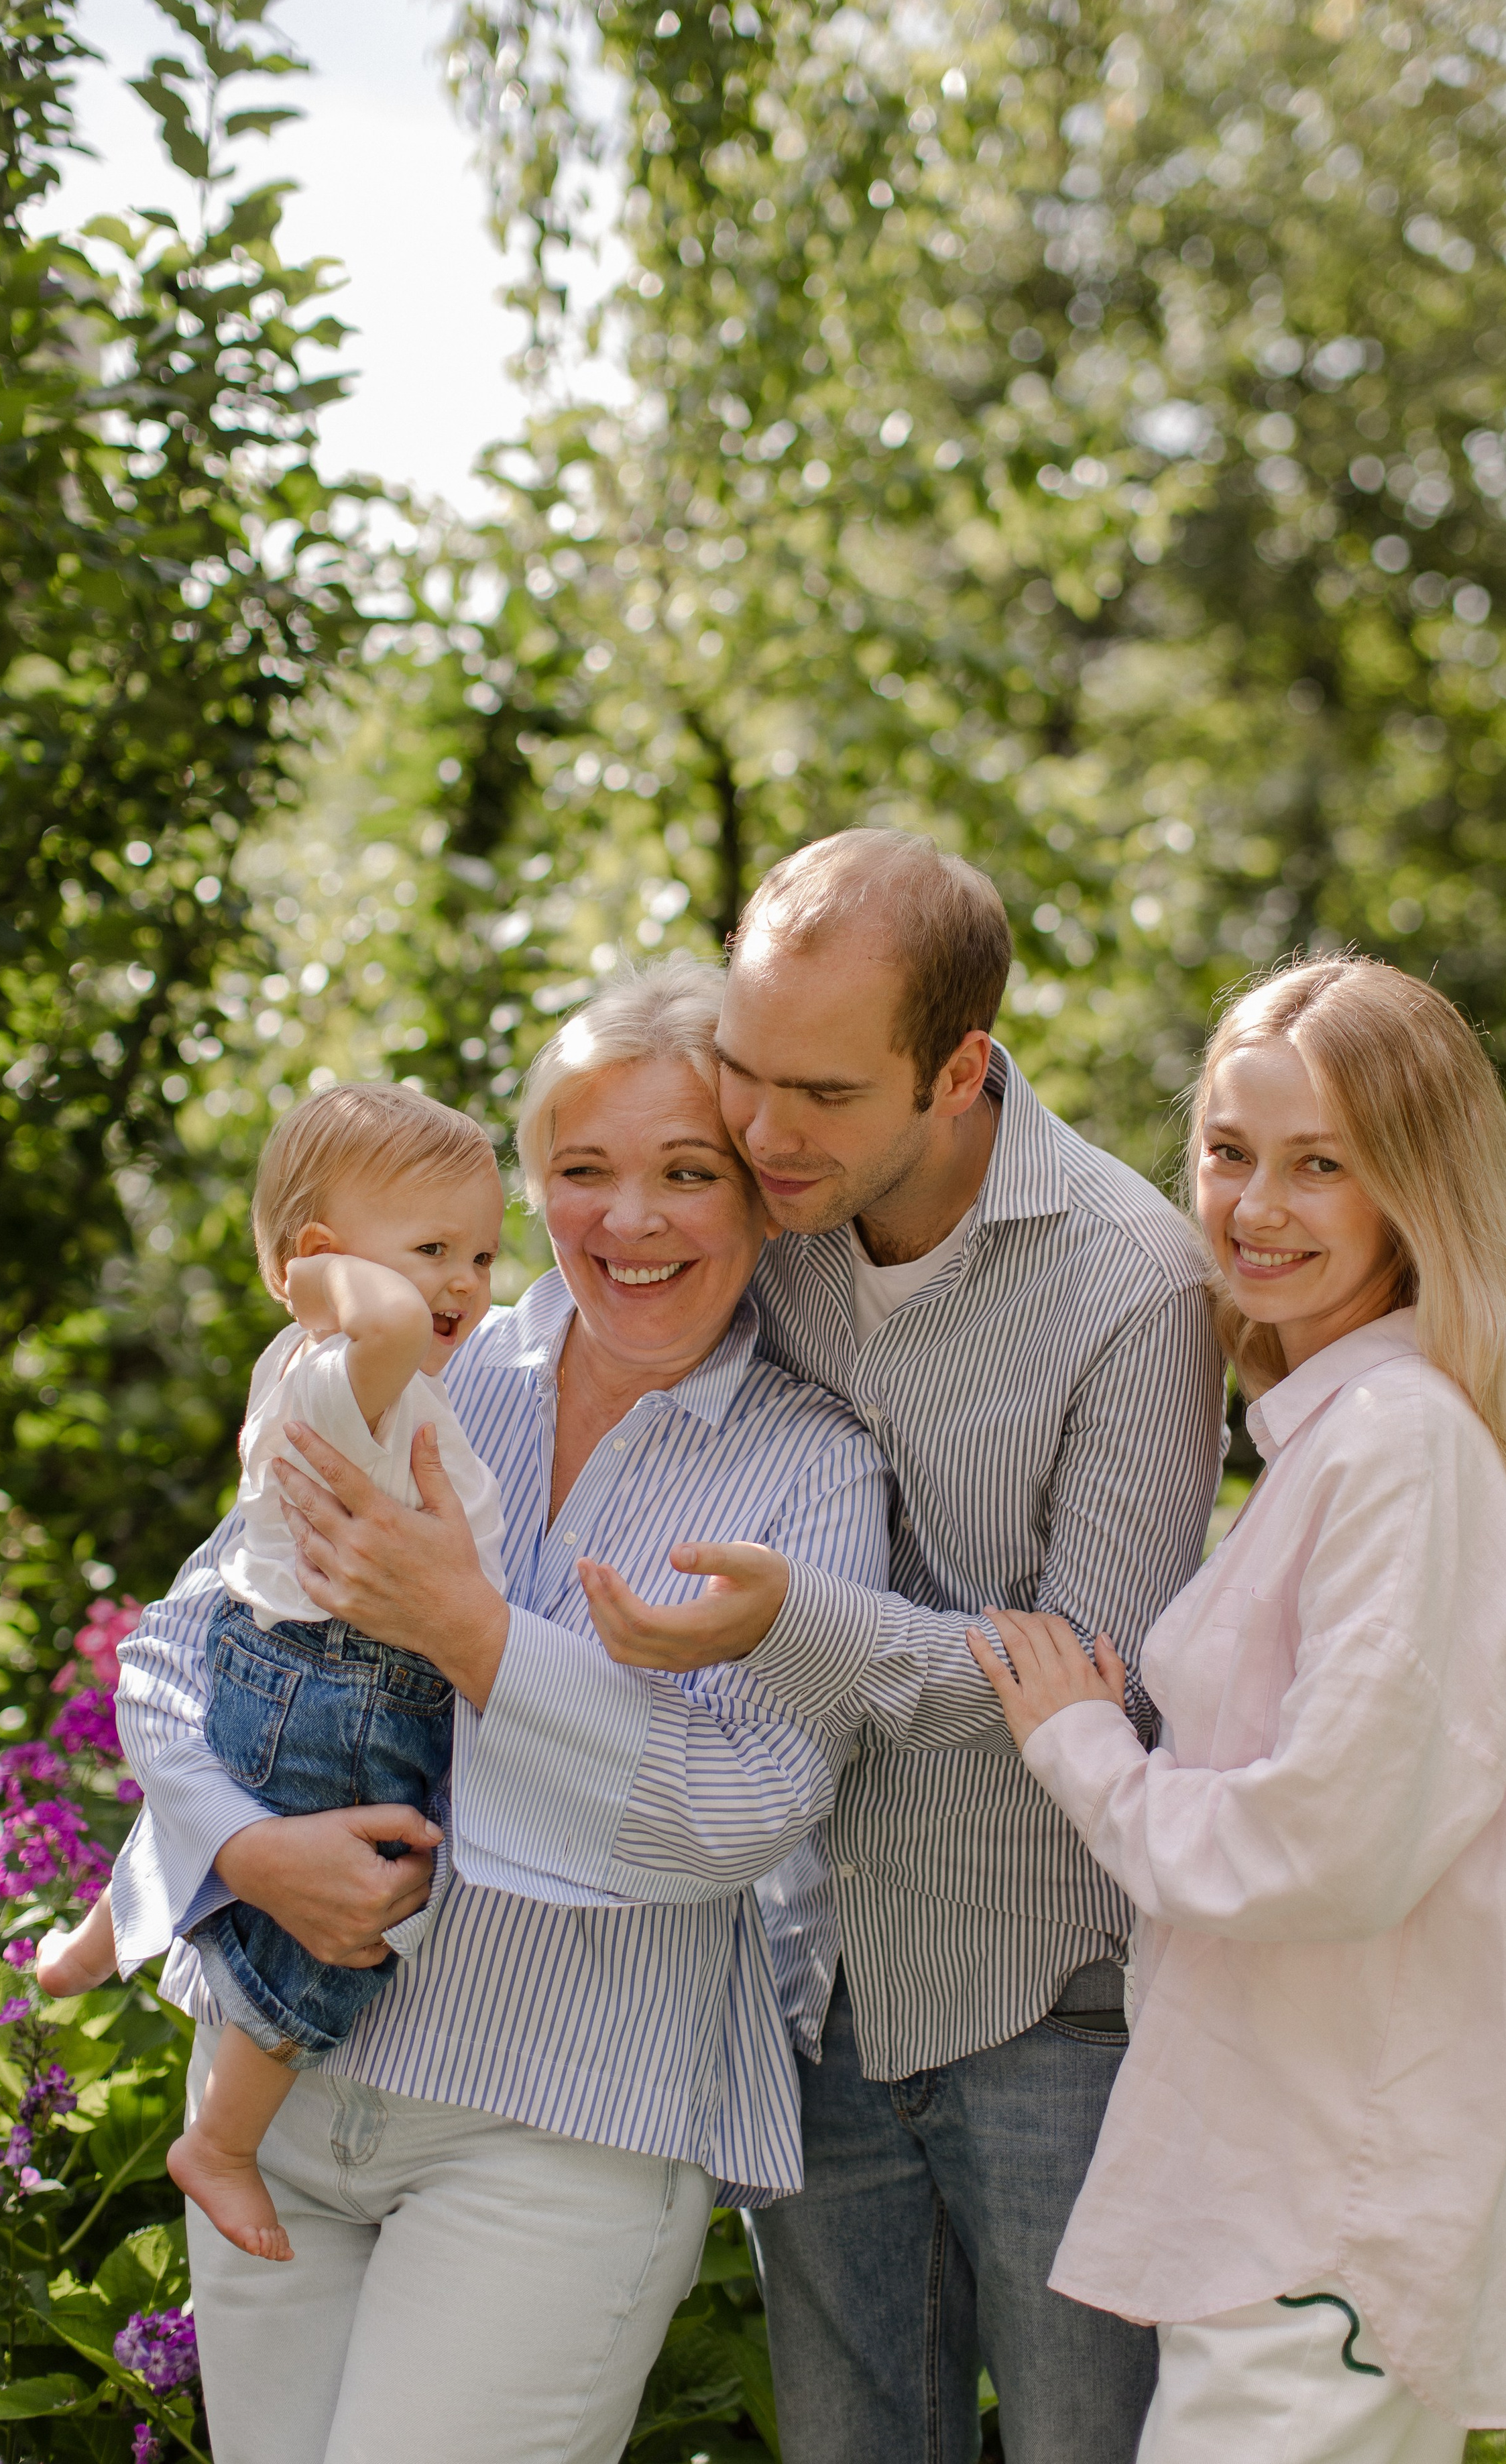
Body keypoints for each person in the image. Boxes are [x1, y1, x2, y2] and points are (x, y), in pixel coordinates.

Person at [113, 957, 1031, 2464]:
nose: (631, 1219)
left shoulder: (805, 1468)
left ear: (755, 1195)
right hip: (278, 2091)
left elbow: (732, 1815)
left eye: (687, 1171)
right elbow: (181, 1641)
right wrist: (238, 1851)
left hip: (556, 2132)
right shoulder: (428, 1362)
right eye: (582, 1171)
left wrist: (472, 1636)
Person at [579, 832, 1225, 2464]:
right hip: (807, 1983)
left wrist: (797, 1622)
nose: (762, 1133)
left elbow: (1097, 1676)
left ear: (958, 1070)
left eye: (821, 1094)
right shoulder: (764, 1215)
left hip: (1048, 1995)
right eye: (743, 1071)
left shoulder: (1131, 1280)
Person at [969, 956, 1506, 2460]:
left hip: (1325, 2199)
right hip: (1279, 2172)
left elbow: (1324, 1842)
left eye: (1317, 1165)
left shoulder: (1396, 1447)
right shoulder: (1338, 1434)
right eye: (1226, 1153)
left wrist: (1083, 1753)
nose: (1253, 1206)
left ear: (1415, 1191)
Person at [42, 1080, 510, 2262]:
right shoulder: (347, 1365)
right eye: (432, 1251)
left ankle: (105, 1936)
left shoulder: (319, 1371)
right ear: (321, 1267)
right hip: (353, 1683)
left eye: (485, 1253)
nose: (463, 1283)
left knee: (242, 1792)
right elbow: (392, 1323)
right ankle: (224, 2142)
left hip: (280, 1656)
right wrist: (344, 1295)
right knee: (338, 1934)